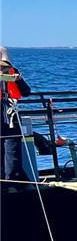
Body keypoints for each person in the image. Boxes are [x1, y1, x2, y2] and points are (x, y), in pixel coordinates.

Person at [1, 46, 32, 184]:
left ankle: (12, 180)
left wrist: (18, 80)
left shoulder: (14, 72)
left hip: (10, 114)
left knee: (12, 148)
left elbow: (26, 92)